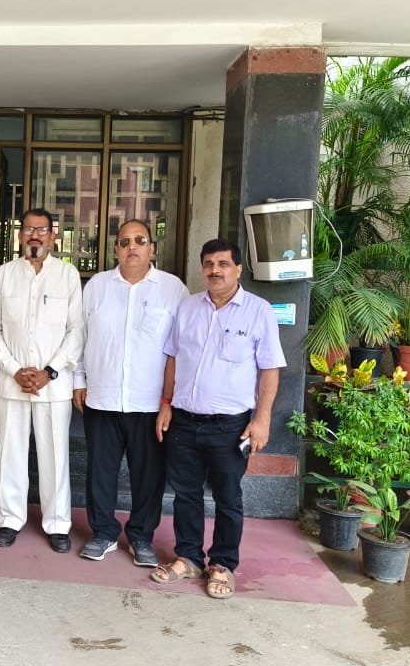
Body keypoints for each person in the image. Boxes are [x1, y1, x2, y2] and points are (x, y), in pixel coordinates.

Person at [149, 238, 285, 599]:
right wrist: (166, 404)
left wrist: (262, 419)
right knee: (186, 494)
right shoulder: (188, 307)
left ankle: (223, 563)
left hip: (230, 426)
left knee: (228, 497)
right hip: (184, 419)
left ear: (238, 269)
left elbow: (269, 369)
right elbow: (172, 358)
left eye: (223, 264)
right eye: (209, 264)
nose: (215, 270)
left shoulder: (258, 311)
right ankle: (189, 557)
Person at [73, 220, 188, 565]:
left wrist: (170, 400)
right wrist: (78, 380)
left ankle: (141, 536)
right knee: (100, 471)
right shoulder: (97, 286)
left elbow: (181, 349)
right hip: (102, 397)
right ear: (116, 249)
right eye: (125, 242)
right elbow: (79, 336)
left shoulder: (173, 289)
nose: (132, 247)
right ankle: (103, 532)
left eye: (140, 240)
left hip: (150, 402)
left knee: (148, 476)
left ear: (152, 248)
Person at [0, 208, 84, 553]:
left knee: (55, 456)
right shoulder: (4, 274)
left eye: (42, 230)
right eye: (28, 229)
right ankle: (10, 520)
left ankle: (57, 524)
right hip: (11, 382)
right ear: (20, 235)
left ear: (53, 236)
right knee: (10, 454)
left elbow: (77, 330)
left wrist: (49, 371)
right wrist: (14, 369)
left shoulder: (67, 275)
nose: (35, 236)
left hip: (53, 386)